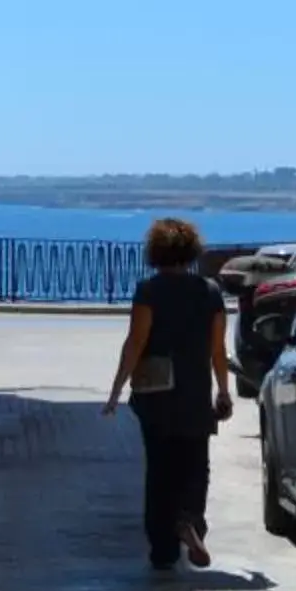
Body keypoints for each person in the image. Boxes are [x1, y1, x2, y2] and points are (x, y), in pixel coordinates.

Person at [104, 217, 231, 571]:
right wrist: (223, 390)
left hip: (157, 394)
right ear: (191, 252)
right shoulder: (209, 292)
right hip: (195, 393)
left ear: (156, 252)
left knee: (160, 470)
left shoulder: (149, 291)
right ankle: (190, 520)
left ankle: (163, 549)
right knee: (196, 464)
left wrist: (116, 389)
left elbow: (136, 343)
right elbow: (218, 349)